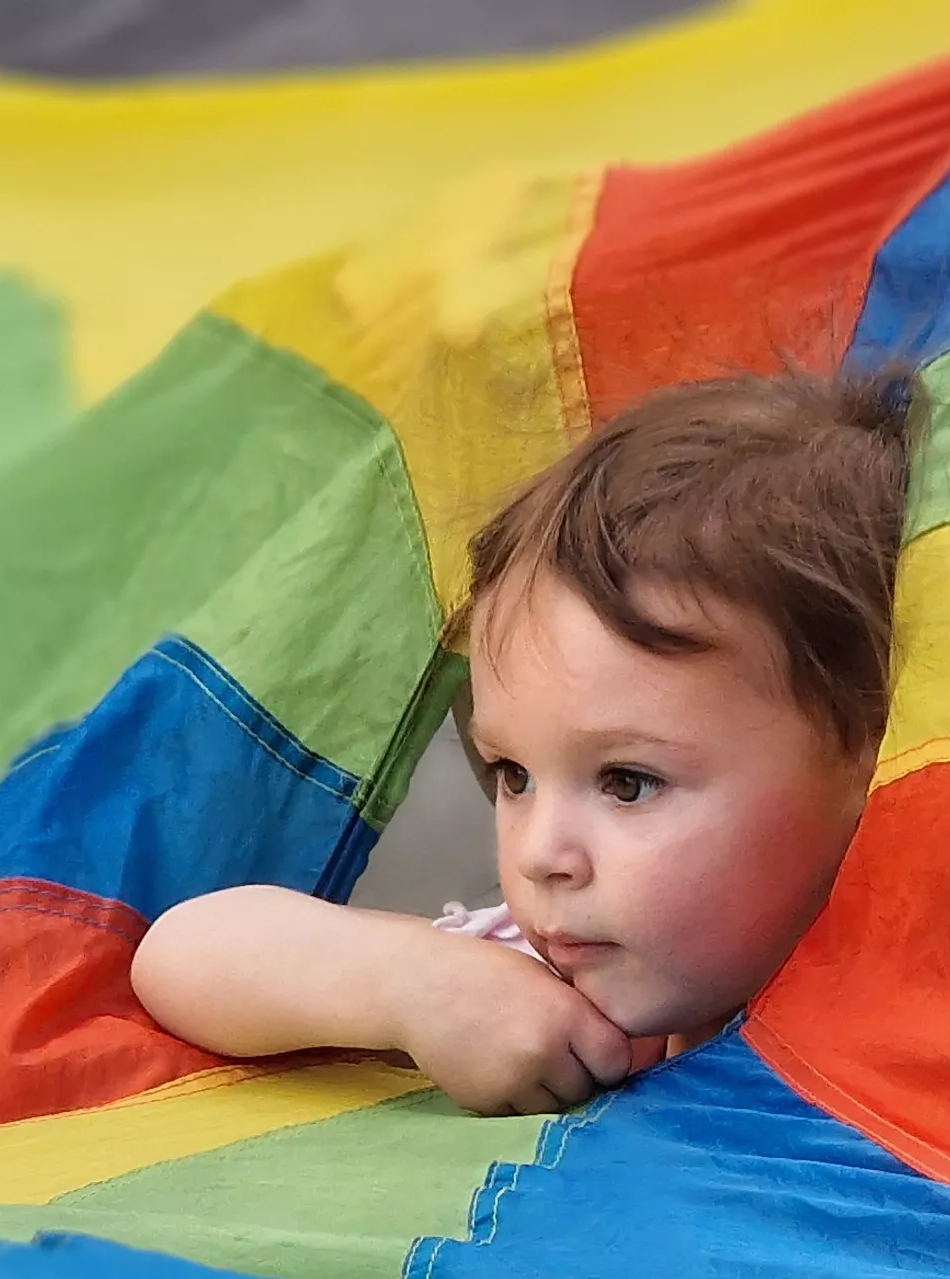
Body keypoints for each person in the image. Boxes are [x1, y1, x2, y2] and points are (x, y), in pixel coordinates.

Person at [135, 369, 909, 1115]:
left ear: (876, 760)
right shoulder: (524, 976)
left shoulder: (934, 1026)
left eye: (627, 782)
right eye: (513, 775)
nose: (540, 855)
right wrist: (414, 985)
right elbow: (180, 952)